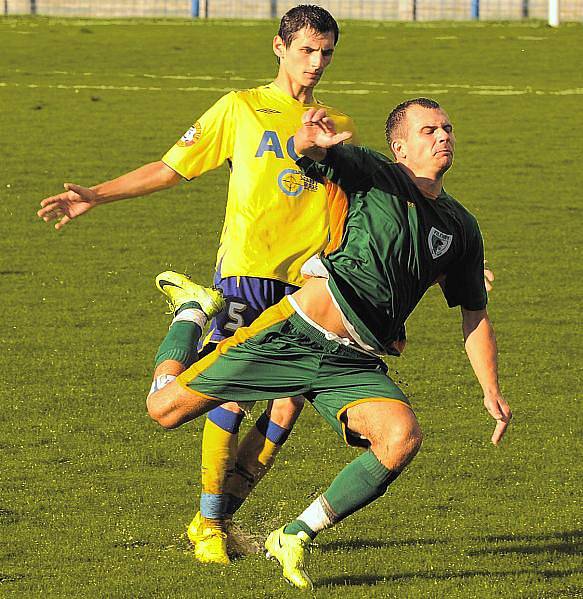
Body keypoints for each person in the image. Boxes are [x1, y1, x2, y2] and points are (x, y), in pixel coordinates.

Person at [37, 5, 359, 565]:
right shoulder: (240, 108)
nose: (316, 62)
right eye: (307, 49)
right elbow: (172, 166)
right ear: (279, 47)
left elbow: (353, 204)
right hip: (248, 273)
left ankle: (213, 516)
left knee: (285, 410)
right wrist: (98, 194)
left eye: (326, 52)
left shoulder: (333, 121)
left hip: (308, 287)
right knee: (227, 394)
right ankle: (211, 525)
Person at [145, 98, 512, 589]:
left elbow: (474, 312)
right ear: (400, 147)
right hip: (291, 334)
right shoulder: (375, 174)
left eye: (447, 127)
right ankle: (191, 311)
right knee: (164, 410)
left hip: (353, 361)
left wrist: (489, 388)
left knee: (401, 437)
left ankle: (295, 534)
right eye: (429, 130)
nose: (443, 136)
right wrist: (307, 141)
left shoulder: (461, 227)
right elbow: (310, 155)